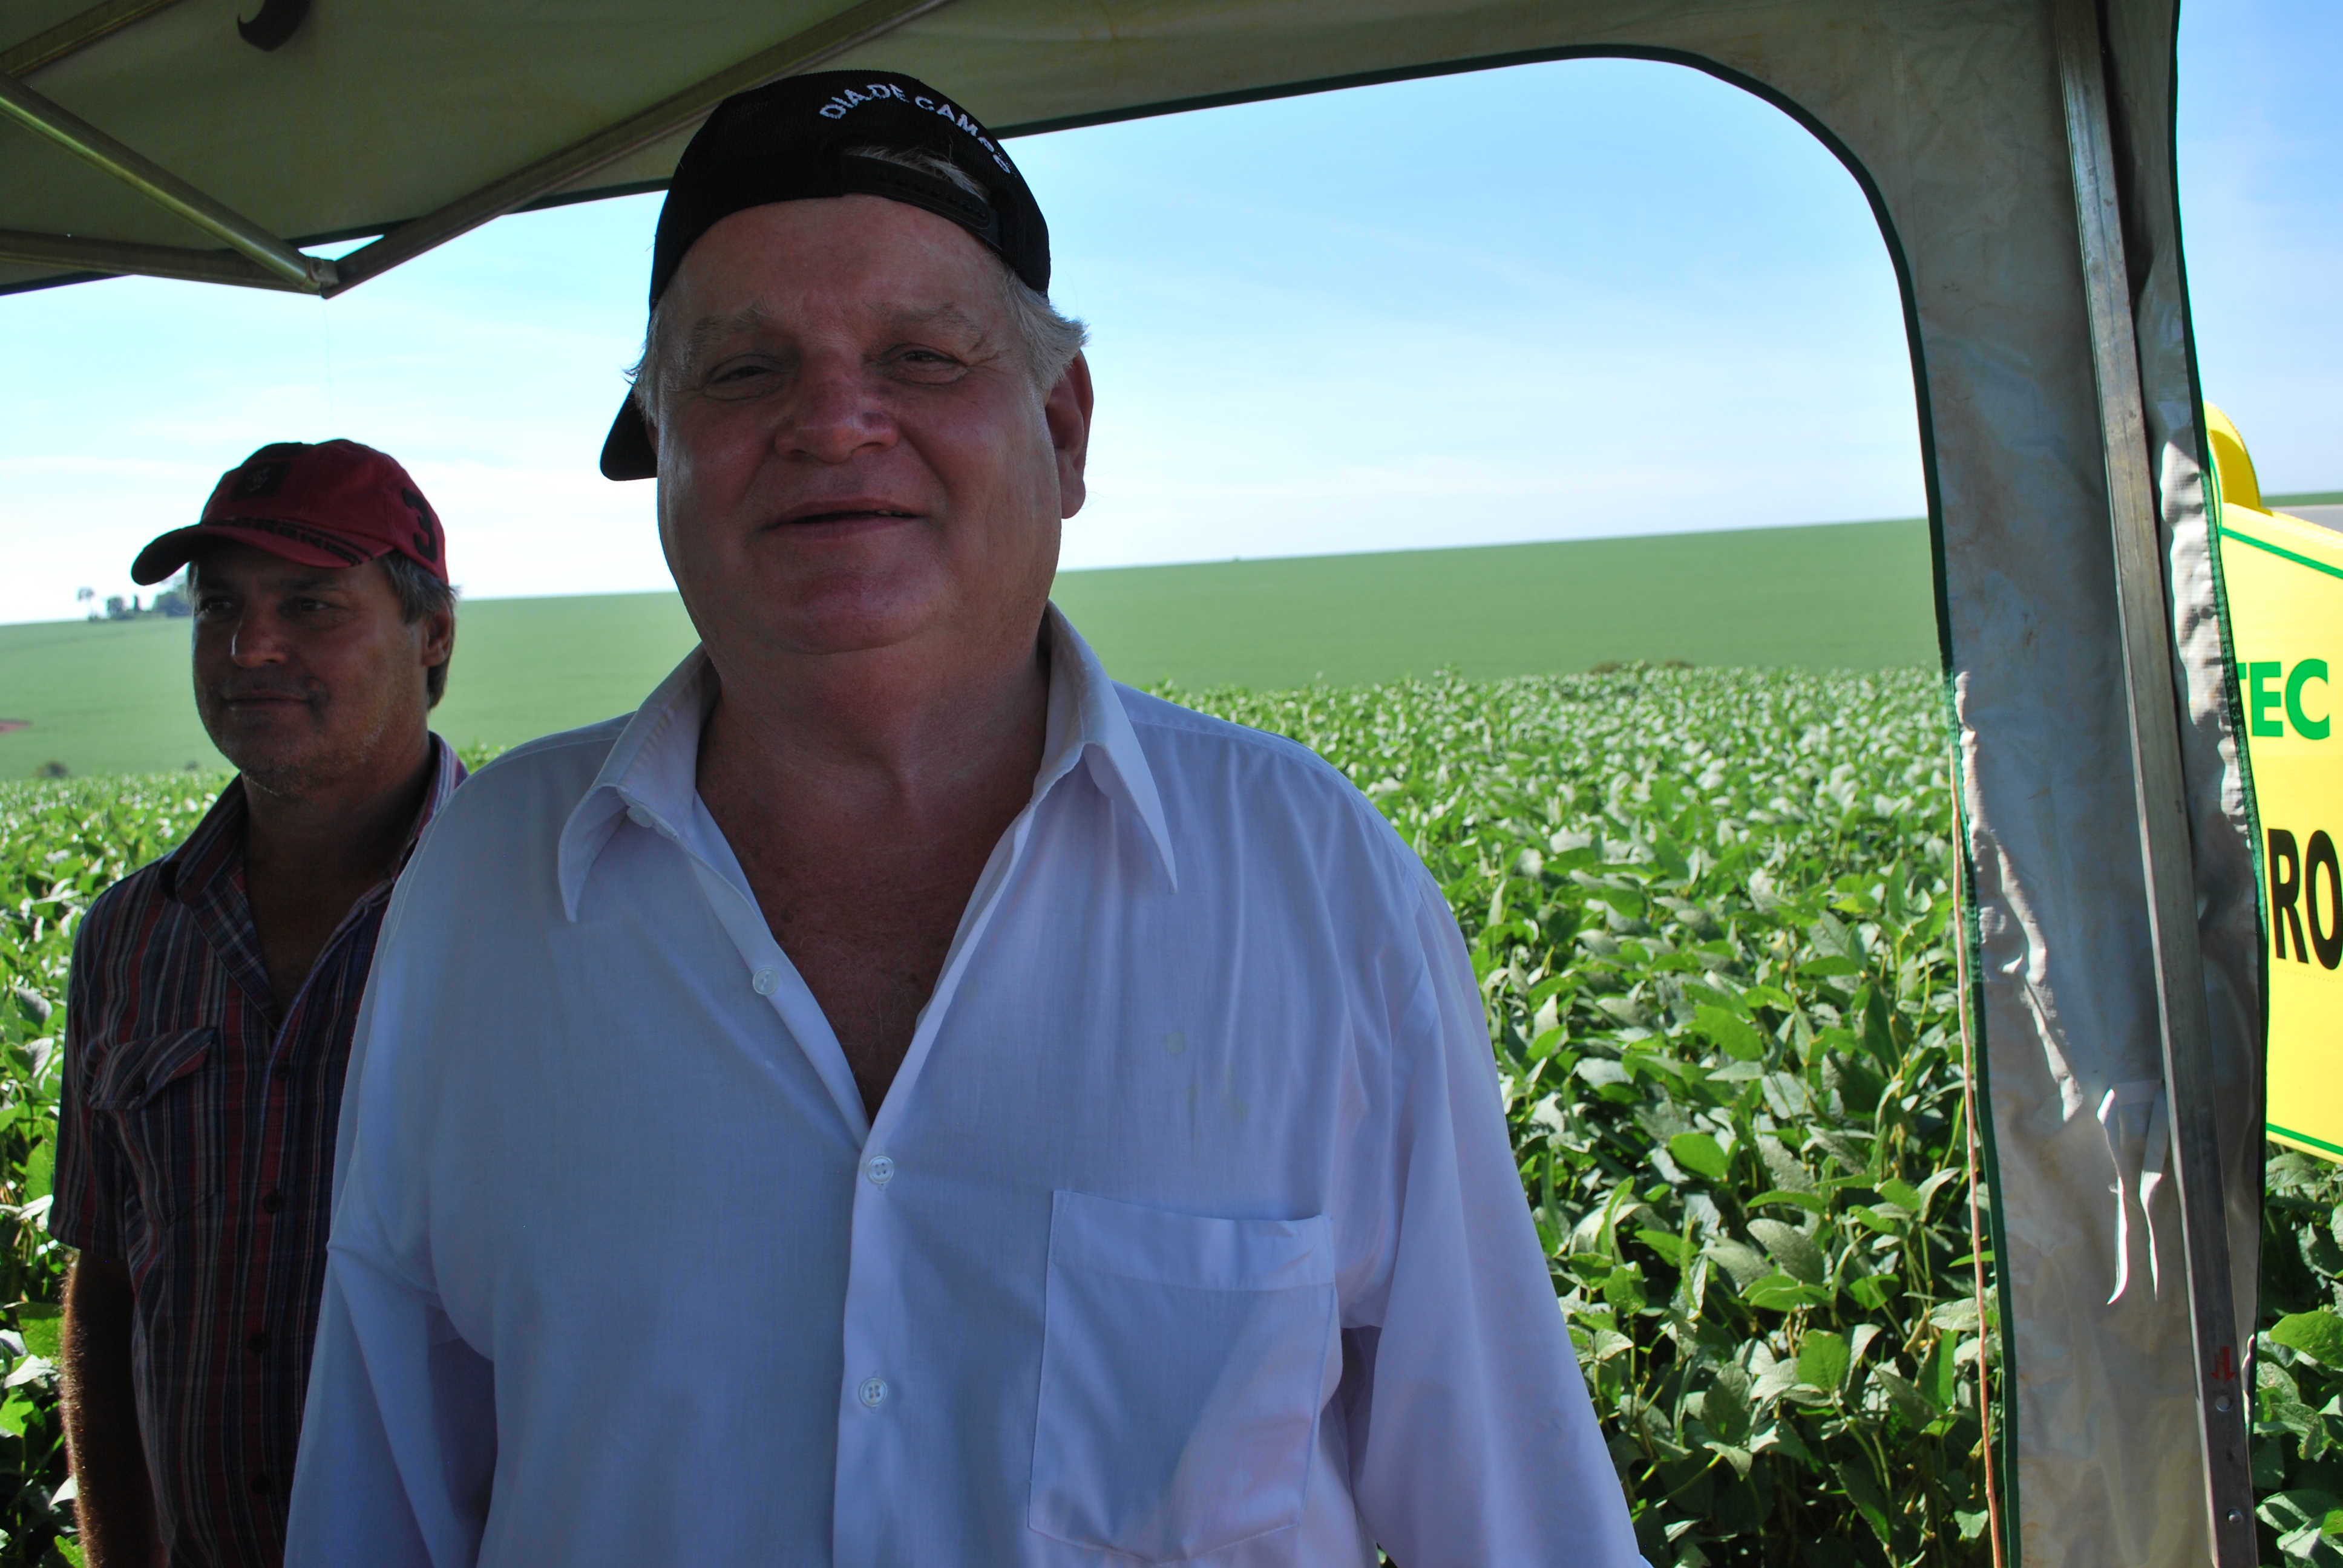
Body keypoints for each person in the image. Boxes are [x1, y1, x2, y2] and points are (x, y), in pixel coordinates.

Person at [286, 73, 1636, 1566]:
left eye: (923, 356)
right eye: (741, 373)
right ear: (663, 450)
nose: (835, 421)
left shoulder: (1314, 883)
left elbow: (1522, 1525)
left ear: (1060, 432)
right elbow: (382, 1502)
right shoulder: (483, 889)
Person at [51, 440, 464, 1568]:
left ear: (433, 637)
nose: (250, 647)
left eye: (312, 605)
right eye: (219, 605)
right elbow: (108, 1285)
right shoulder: (129, 939)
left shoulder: (547, 907)